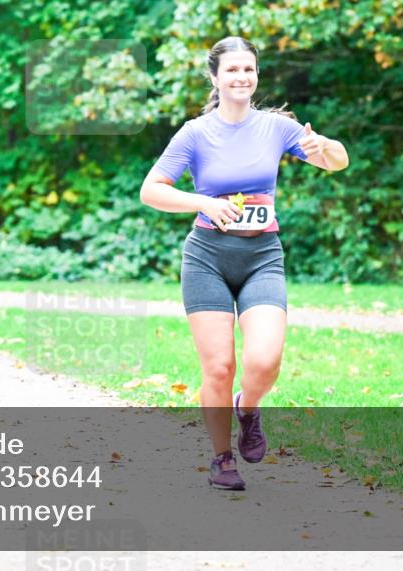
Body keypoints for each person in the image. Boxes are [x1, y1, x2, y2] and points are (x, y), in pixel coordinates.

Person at [139, 36, 349, 490]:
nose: (242, 77)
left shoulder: (275, 128)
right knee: (218, 366)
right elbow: (151, 189)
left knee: (266, 359)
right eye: (232, 70)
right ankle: (221, 458)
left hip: (262, 257)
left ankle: (247, 408)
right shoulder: (195, 133)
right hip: (207, 258)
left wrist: (323, 146)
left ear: (257, 76)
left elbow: (338, 161)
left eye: (249, 70)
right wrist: (202, 202)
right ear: (215, 77)